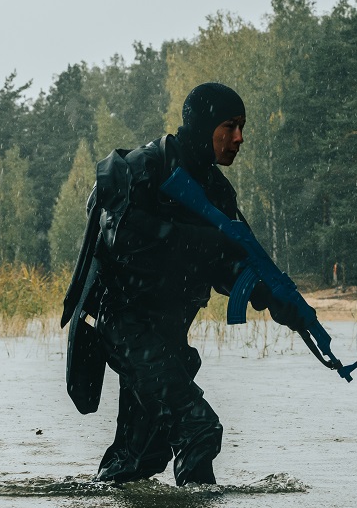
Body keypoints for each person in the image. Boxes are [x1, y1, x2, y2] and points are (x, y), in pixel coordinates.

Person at [61, 82, 305, 486]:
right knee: (198, 428)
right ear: (205, 126)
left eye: (242, 127)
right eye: (230, 126)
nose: (239, 138)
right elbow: (119, 234)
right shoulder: (142, 168)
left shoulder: (217, 192)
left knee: (138, 459)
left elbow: (225, 266)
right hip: (125, 326)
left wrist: (268, 295)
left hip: (167, 335)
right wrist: (204, 239)